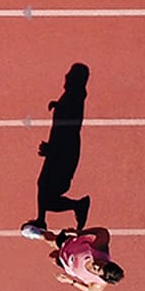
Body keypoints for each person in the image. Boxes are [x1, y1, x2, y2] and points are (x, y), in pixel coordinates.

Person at [20, 63, 91, 237]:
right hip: (62, 148)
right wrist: (57, 105)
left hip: (64, 150)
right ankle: (43, 218)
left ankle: (76, 206)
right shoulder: (72, 95)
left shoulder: (74, 96)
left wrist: (52, 150)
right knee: (45, 187)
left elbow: (67, 129)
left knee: (46, 189)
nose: (65, 76)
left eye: (69, 74)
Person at [20, 226, 125, 291]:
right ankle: (39, 233)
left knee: (52, 256)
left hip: (68, 263)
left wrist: (71, 281)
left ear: (101, 277)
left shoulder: (98, 284)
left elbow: (90, 290)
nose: (97, 265)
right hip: (71, 244)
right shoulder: (99, 248)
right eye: (102, 263)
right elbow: (103, 232)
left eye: (98, 270)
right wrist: (79, 233)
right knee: (51, 240)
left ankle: (55, 249)